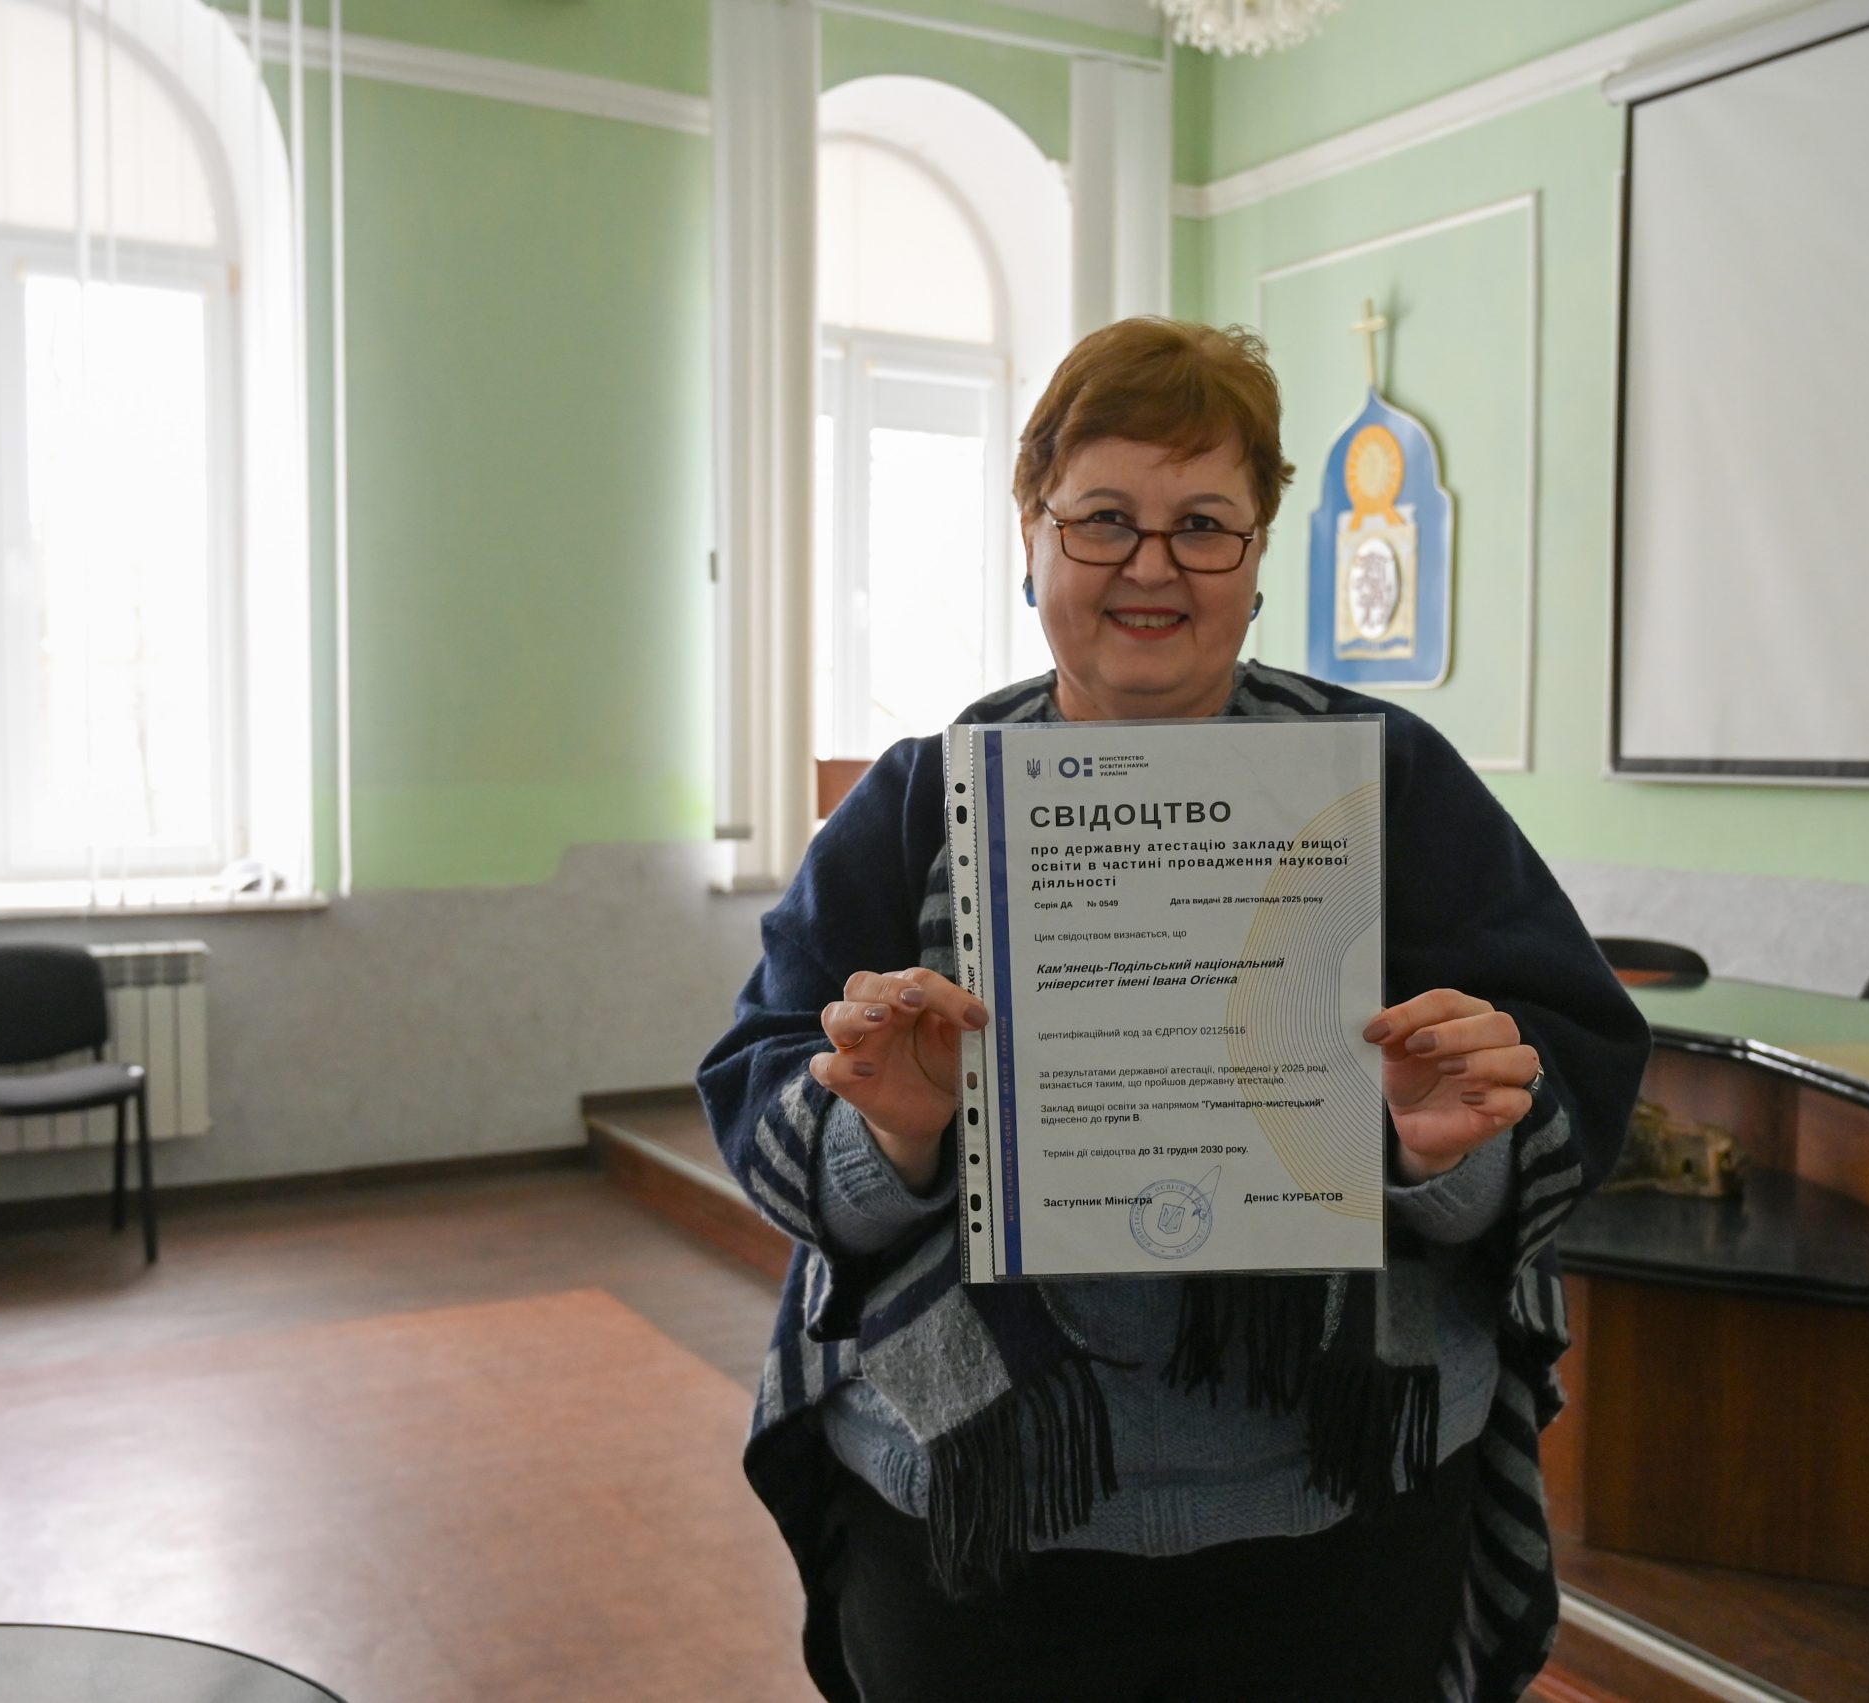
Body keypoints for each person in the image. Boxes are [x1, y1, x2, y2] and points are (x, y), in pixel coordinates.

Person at [698, 318, 1649, 1703]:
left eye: (1203, 524)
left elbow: (1562, 1054)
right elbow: (763, 1078)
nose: (1152, 566)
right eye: (1103, 520)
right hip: (980, 1514)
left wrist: (1445, 1150)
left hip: (1342, 1515)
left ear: (1258, 560)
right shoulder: (914, 801)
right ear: (1031, 540)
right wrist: (893, 1137)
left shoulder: (1392, 780)